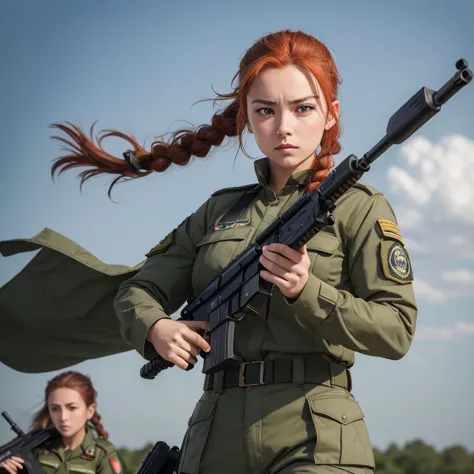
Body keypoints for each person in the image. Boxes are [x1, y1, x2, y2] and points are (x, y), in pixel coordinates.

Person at [5, 29, 418, 474]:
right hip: (215, 431)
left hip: (315, 430)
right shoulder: (219, 211)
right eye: (265, 110)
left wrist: (308, 290)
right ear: (246, 117)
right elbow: (136, 291)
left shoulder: (359, 206)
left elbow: (396, 330)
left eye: (303, 108)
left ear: (330, 114)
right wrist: (157, 327)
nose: (284, 127)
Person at [0, 371, 122, 474]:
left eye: (72, 408)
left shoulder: (102, 453)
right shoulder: (36, 447)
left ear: (89, 411)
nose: (63, 417)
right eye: (55, 409)